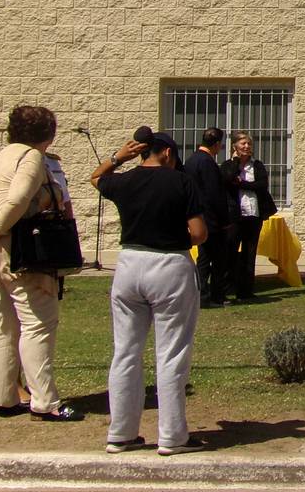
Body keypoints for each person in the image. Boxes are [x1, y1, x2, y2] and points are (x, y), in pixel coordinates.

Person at [0, 105, 83, 421]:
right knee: (38, 324)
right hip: (26, 255)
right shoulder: (31, 157)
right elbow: (17, 199)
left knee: (3, 323)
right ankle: (45, 401)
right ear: (48, 135)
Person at [93, 129, 207, 455]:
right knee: (170, 354)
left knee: (126, 352)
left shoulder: (125, 181)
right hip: (170, 265)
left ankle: (121, 433)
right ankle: (172, 437)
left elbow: (96, 177)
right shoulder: (181, 182)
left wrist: (118, 157)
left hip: (129, 264)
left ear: (142, 152)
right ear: (168, 154)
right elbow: (198, 233)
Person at [222, 131, 277, 300]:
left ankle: (246, 291)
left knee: (249, 253)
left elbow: (262, 185)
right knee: (230, 251)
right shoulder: (228, 164)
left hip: (253, 214)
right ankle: (227, 288)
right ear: (235, 146)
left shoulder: (257, 165)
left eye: (249, 144)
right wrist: (236, 161)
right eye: (243, 144)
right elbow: (228, 180)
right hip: (235, 216)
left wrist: (243, 184)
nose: (246, 147)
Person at [185, 127, 231, 308]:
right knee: (218, 259)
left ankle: (201, 295)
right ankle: (215, 296)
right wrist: (225, 220)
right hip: (212, 220)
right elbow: (215, 195)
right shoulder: (207, 163)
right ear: (217, 144)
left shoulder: (191, 160)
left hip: (197, 217)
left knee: (203, 259)